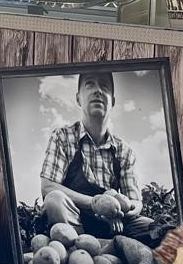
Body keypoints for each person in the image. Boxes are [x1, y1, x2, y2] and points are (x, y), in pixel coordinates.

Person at [39, 71, 155, 241]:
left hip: (114, 225)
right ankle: (80, 246)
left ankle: (110, 246)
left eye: (104, 86)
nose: (98, 90)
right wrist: (96, 204)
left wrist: (116, 209)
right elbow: (48, 187)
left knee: (155, 229)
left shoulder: (125, 151)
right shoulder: (63, 137)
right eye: (90, 84)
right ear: (78, 98)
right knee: (54, 200)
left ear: (112, 101)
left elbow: (136, 203)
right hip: (74, 220)